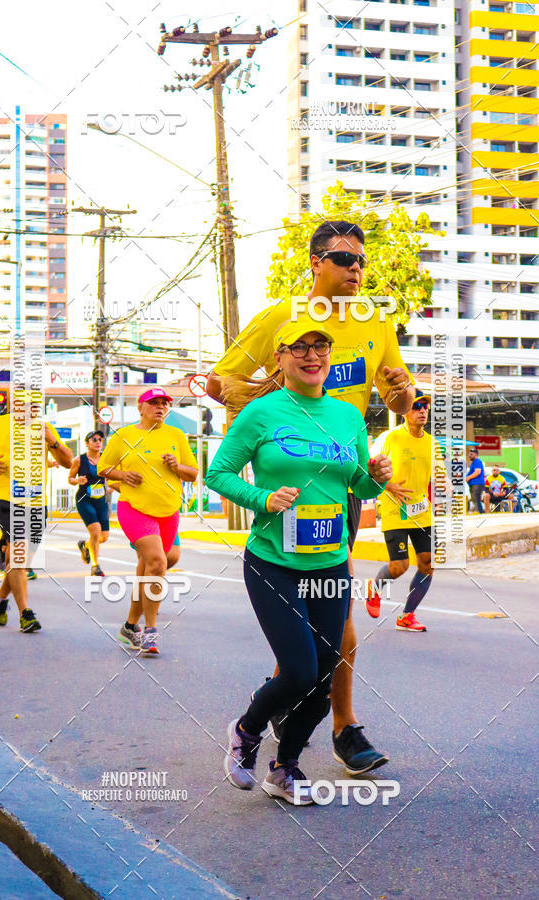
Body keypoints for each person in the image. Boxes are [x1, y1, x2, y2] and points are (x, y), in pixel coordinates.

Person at [206, 219, 414, 775]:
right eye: (344, 259)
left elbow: (399, 395)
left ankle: (320, 715)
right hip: (286, 484)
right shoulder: (281, 316)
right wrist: (269, 399)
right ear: (316, 263)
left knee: (333, 622)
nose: (356, 269)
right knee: (320, 628)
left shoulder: (376, 322)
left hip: (341, 484)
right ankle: (331, 720)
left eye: (362, 261)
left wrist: (402, 395)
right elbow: (220, 381)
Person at [206, 318, 392, 804]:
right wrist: (263, 499)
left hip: (330, 562)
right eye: (300, 347)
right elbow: (218, 473)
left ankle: (284, 768)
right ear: (280, 358)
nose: (312, 355)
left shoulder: (347, 416)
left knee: (324, 676)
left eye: (320, 347)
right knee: (299, 670)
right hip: (273, 562)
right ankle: (245, 730)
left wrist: (376, 476)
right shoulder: (261, 413)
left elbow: (358, 485)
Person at [98, 387, 198, 656]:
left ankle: (130, 626)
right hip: (134, 508)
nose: (160, 407)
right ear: (140, 408)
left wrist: (177, 466)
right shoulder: (124, 435)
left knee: (148, 568)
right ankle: (150, 630)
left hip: (168, 511)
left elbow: (193, 473)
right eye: (154, 403)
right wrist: (123, 475)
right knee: (157, 562)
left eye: (165, 403)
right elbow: (103, 467)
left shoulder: (176, 435)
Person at [0, 392, 72, 632]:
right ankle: (25, 613)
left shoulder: (45, 428)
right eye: (24, 403)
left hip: (36, 502)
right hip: (7, 498)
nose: (30, 408)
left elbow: (68, 462)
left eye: (34, 404)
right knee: (18, 554)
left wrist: (52, 441)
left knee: (22, 560)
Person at [365, 391, 443, 633]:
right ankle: (374, 588)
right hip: (395, 511)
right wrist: (388, 485)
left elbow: (439, 475)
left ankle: (407, 616)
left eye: (425, 407)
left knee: (427, 564)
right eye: (416, 406)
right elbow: (368, 467)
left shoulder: (432, 443)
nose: (422, 410)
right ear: (405, 412)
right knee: (399, 566)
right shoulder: (390, 438)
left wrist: (445, 488)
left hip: (422, 513)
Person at [69, 430, 110, 577]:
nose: (98, 442)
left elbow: (111, 475)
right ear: (87, 443)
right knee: (95, 531)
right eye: (94, 440)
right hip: (84, 500)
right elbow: (70, 478)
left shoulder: (105, 458)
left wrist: (111, 485)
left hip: (101, 501)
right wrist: (77, 480)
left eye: (100, 439)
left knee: (103, 537)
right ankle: (95, 566)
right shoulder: (79, 460)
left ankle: (85, 545)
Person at [466, 448, 485, 515]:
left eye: (471, 454)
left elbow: (477, 472)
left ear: (476, 454)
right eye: (469, 454)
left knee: (476, 499)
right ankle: (478, 512)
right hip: (474, 484)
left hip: (477, 483)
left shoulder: (477, 461)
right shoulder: (474, 462)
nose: (469, 456)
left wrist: (468, 477)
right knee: (475, 499)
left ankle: (479, 512)